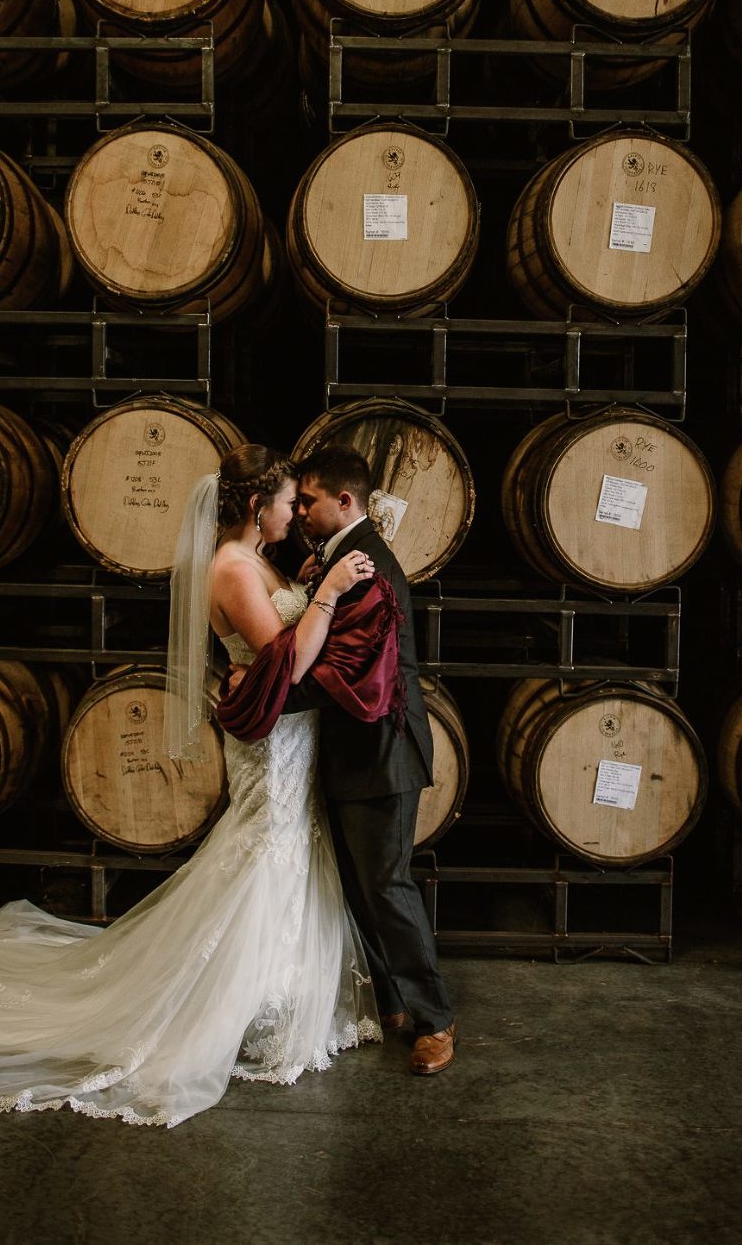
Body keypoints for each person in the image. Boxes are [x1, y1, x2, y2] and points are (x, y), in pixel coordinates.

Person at [0, 444, 384, 1127]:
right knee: (268, 844)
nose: (297, 512)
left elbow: (282, 640)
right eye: (288, 502)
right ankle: (251, 1005)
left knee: (283, 842)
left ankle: (275, 996)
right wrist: (332, 595)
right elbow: (285, 660)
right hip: (271, 737)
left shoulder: (254, 561)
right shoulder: (231, 567)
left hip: (288, 734)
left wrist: (314, 585)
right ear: (258, 507)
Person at [289, 445, 456, 1076]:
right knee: (362, 888)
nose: (300, 511)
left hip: (382, 754)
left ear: (344, 501)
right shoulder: (338, 559)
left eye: (308, 501)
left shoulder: (370, 570)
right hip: (351, 753)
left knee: (387, 887)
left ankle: (436, 1018)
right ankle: (391, 999)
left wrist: (260, 694)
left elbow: (346, 671)